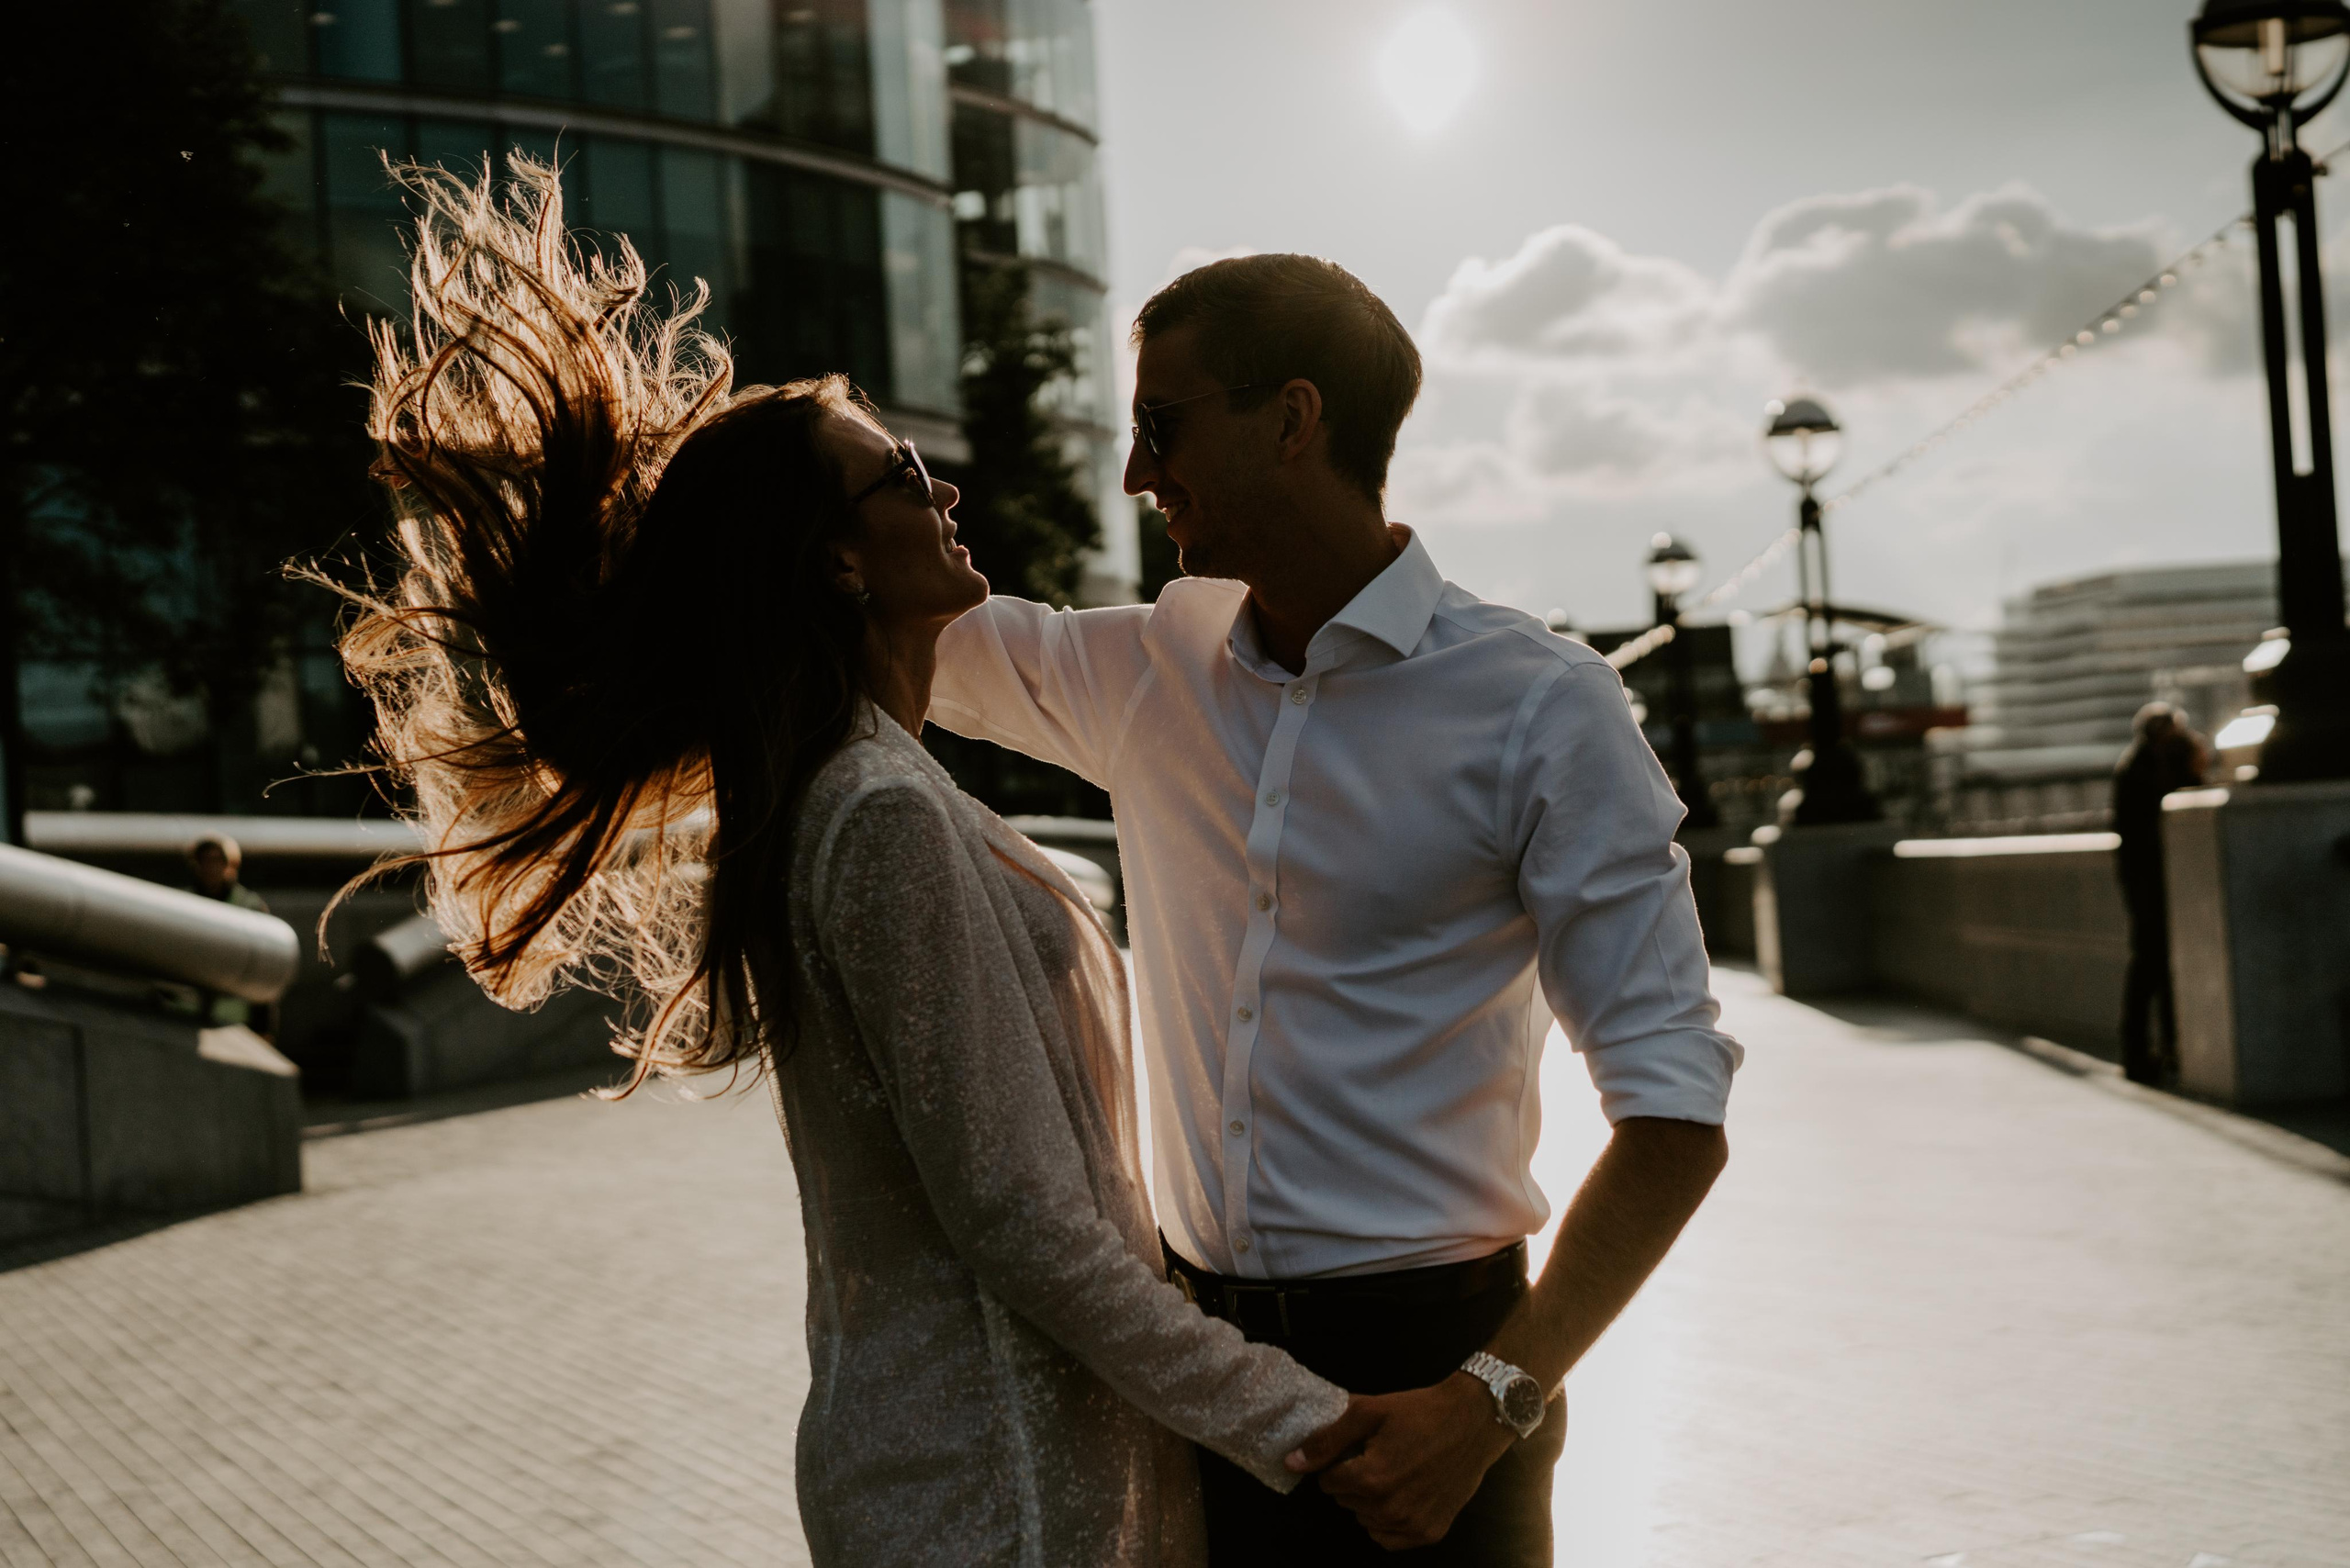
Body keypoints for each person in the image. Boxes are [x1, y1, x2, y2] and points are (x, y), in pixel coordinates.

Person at [328, 160, 1348, 1567]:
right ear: (841, 563)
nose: (946, 489)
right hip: (991, 1498)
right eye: (903, 474)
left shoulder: (872, 785)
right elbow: (1024, 1225)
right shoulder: (876, 815)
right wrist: (1310, 1424)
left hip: (1014, 1479)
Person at [931, 253, 1741, 1562]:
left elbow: (1676, 1113)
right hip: (1190, 1375)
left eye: (1163, 424)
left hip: (1439, 1378)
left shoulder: (1541, 706)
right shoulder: (1148, 670)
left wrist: (1491, 1404)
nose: (1140, 473)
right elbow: (899, 640)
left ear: (1293, 419)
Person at [2112, 701, 2207, 1086]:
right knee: (2155, 968)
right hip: (2156, 883)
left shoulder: (2135, 767)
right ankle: (2164, 1050)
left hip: (2146, 884)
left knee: (2151, 968)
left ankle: (2152, 1051)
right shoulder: (2153, 770)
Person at [186, 833, 271, 1027]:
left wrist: (264, 1024)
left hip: (234, 1018)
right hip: (188, 1016)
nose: (211, 868)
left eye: (218, 860)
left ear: (231, 864)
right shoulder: (183, 902)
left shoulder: (250, 906)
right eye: (205, 861)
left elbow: (264, 966)